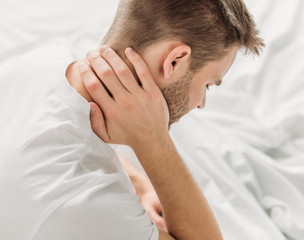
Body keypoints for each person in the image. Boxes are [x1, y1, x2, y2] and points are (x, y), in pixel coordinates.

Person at [0, 0, 263, 239]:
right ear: (174, 61)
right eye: (207, 85)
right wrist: (155, 144)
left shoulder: (40, 61)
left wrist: (140, 184)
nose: (202, 104)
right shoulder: (88, 206)